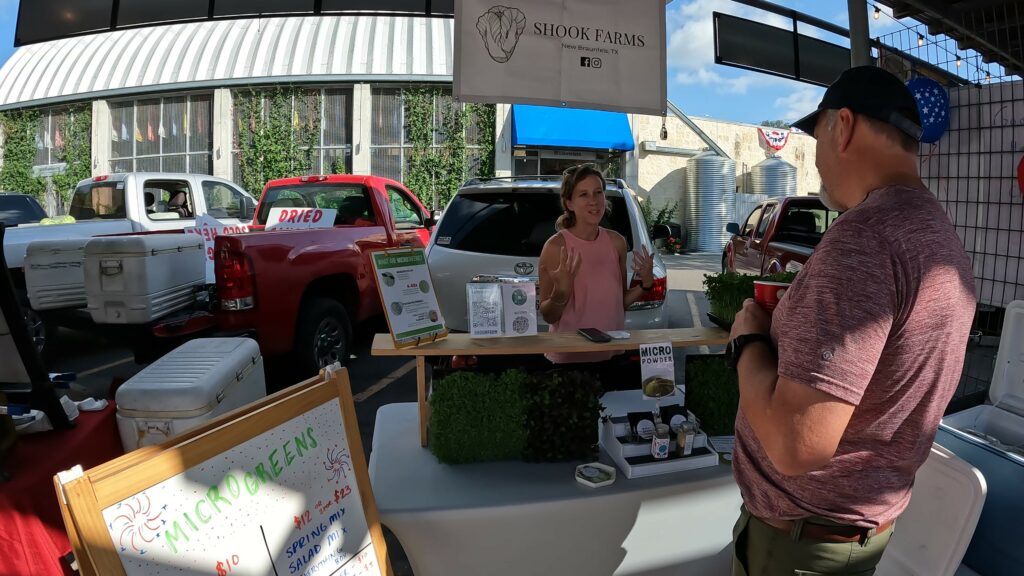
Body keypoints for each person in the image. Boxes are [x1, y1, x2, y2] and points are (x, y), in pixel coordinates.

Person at [725, 66, 976, 576]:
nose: (815, 159)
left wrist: (747, 341)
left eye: (815, 138)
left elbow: (798, 445)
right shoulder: (937, 234)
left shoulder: (863, 239)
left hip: (799, 543)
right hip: (855, 534)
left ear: (843, 125)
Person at [537, 163, 655, 377]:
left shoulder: (616, 242)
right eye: (583, 194)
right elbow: (548, 316)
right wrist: (561, 294)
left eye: (598, 192)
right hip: (569, 361)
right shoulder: (556, 247)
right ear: (569, 203)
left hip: (612, 356)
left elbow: (620, 302)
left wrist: (646, 284)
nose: (593, 201)